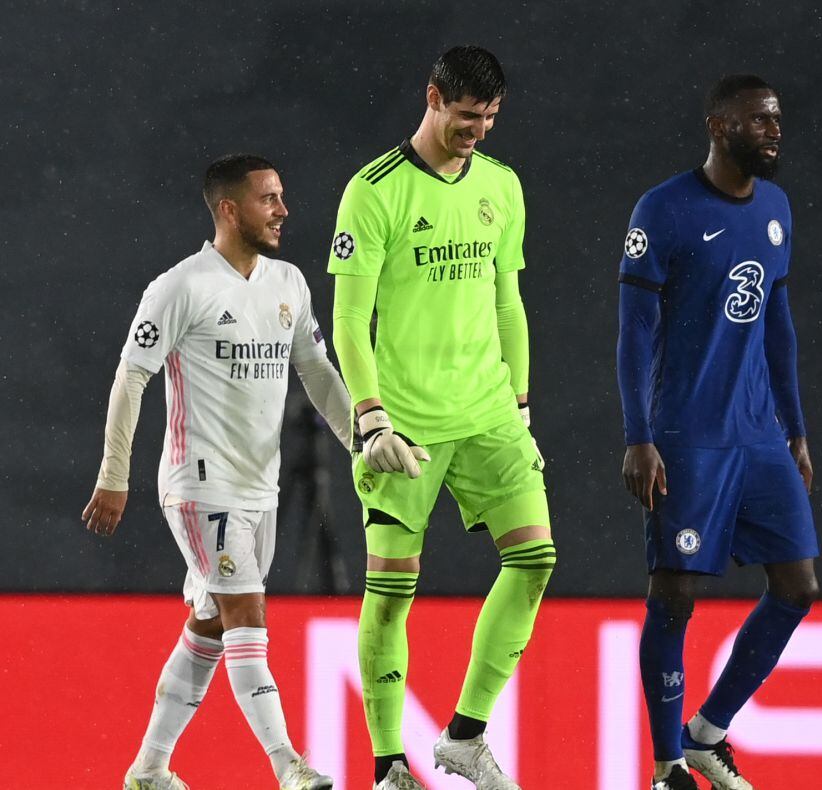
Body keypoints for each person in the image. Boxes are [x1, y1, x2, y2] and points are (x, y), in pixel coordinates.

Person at [82, 154, 350, 790]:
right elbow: (130, 378)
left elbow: (316, 371)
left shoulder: (288, 283)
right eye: (268, 199)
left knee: (209, 622)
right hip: (200, 485)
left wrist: (364, 440)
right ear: (229, 210)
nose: (283, 209)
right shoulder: (180, 286)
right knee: (245, 610)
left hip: (261, 487)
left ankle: (149, 768)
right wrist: (114, 473)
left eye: (282, 196)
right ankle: (288, 765)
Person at [327, 46, 554, 790]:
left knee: (536, 560)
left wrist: (520, 404)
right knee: (392, 593)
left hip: (490, 412)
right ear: (432, 97)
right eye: (465, 117)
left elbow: (508, 301)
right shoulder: (374, 191)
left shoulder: (502, 186)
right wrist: (372, 421)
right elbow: (350, 322)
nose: (478, 132)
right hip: (407, 429)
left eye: (489, 119)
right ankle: (390, 761)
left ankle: (465, 734)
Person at [617, 75, 820, 790]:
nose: (774, 130)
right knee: (674, 596)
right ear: (717, 123)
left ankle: (708, 732)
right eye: (760, 119)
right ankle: (667, 762)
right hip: (687, 435)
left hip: (760, 435)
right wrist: (638, 435)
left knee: (798, 587)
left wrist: (795, 429)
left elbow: (778, 326)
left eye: (778, 119)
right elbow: (635, 335)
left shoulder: (776, 207)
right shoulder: (664, 210)